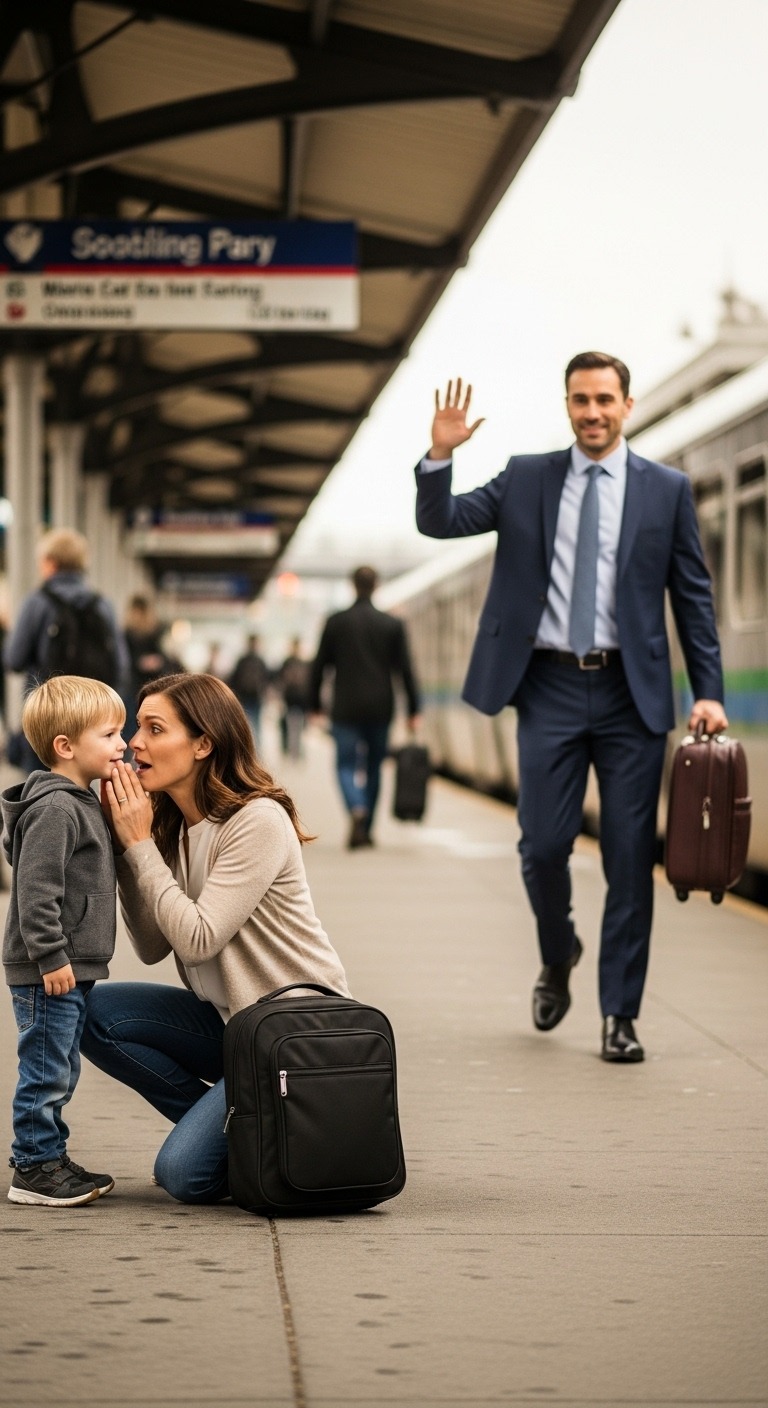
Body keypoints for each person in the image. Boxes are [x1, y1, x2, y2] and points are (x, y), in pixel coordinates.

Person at [414, 354, 728, 1063]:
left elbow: (694, 599)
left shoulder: (666, 490)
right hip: (548, 686)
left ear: (627, 404)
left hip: (631, 694)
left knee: (627, 859)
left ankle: (620, 1015)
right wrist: (440, 453)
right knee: (543, 846)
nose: (592, 412)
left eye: (605, 400)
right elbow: (442, 521)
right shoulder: (528, 477)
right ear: (567, 405)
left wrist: (709, 689)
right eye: (580, 400)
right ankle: (559, 951)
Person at [80, 672, 349, 1205]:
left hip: (291, 1034)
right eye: (137, 728)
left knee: (185, 1175)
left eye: (155, 729)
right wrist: (128, 847)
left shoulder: (257, 820)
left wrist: (139, 847)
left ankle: (244, 1131)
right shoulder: (173, 826)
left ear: (203, 743)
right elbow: (156, 945)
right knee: (86, 1010)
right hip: (232, 1026)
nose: (135, 743)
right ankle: (253, 1128)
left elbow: (198, 939)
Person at [2, 675, 127, 1206]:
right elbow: (35, 891)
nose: (123, 744)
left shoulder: (79, 801)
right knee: (47, 1068)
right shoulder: (57, 809)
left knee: (61, 1065)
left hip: (69, 965)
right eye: (111, 734)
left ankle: (49, 1152)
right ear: (66, 747)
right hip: (51, 967)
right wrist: (51, 954)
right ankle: (33, 1168)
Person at [308, 566, 422, 849]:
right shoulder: (391, 625)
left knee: (345, 764)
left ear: (352, 585)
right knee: (374, 767)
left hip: (345, 707)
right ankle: (367, 828)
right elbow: (406, 670)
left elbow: (318, 666)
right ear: (376, 586)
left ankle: (356, 808)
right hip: (381, 707)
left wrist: (314, 705)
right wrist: (413, 710)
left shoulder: (336, 622)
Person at [4, 528, 129, 772]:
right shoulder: (102, 604)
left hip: (46, 714)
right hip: (92, 717)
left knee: (38, 783)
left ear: (50, 563)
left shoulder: (38, 602)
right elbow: (121, 664)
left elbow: (14, 659)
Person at [123, 594, 175, 702]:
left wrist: (158, 661)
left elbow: (166, 658)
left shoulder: (157, 633)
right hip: (133, 686)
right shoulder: (126, 635)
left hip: (154, 684)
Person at [228, 634, 270, 746]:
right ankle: (255, 749)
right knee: (255, 724)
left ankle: (249, 748)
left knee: (246, 724)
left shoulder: (243, 660)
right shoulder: (259, 661)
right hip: (254, 696)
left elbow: (234, 679)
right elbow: (266, 679)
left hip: (247, 696)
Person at [276, 637, 309, 759]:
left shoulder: (289, 662)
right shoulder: (300, 663)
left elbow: (280, 681)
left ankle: (294, 749)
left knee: (295, 726)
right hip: (294, 699)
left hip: (295, 699)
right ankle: (294, 750)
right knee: (293, 726)